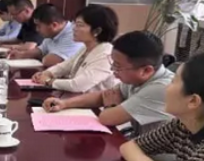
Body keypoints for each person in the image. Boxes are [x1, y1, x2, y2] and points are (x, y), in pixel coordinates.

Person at [44, 31, 173, 135]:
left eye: (117, 66)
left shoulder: (161, 88)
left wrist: (111, 106)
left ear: (146, 70)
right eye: (113, 63)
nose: (112, 70)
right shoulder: (136, 78)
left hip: (158, 157)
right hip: (139, 144)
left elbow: (107, 118)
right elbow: (104, 95)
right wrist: (64, 103)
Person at [32, 4, 119, 93]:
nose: (73, 28)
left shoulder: (105, 54)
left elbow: (77, 85)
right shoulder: (86, 48)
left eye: (79, 25)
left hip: (91, 101)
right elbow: (65, 66)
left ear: (97, 31)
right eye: (74, 24)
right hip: (75, 98)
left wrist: (49, 81)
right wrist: (47, 73)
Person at [9, 3, 83, 68]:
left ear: (54, 25)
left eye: (39, 26)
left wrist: (41, 57)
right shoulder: (52, 34)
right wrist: (21, 54)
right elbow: (40, 50)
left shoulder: (74, 35)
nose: (37, 29)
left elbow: (49, 61)